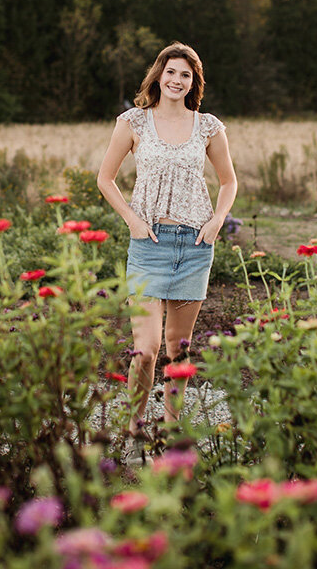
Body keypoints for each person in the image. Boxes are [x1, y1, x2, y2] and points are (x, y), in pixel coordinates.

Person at [97, 42, 237, 464]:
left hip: (194, 246)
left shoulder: (209, 127)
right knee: (145, 351)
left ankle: (171, 438)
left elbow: (229, 182)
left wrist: (216, 222)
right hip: (148, 245)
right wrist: (131, 221)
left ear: (194, 82)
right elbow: (105, 178)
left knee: (179, 351)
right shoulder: (134, 121)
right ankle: (131, 432)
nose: (177, 80)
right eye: (171, 72)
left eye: (186, 75)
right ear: (159, 75)